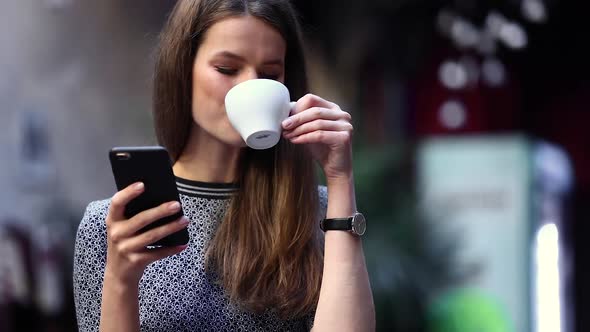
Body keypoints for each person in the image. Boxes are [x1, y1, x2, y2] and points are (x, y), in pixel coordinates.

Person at [73, 0, 375, 331]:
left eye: (270, 74)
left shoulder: (316, 212)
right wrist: (120, 280)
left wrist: (339, 177)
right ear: (182, 71)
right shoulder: (112, 227)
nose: (249, 86)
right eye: (227, 69)